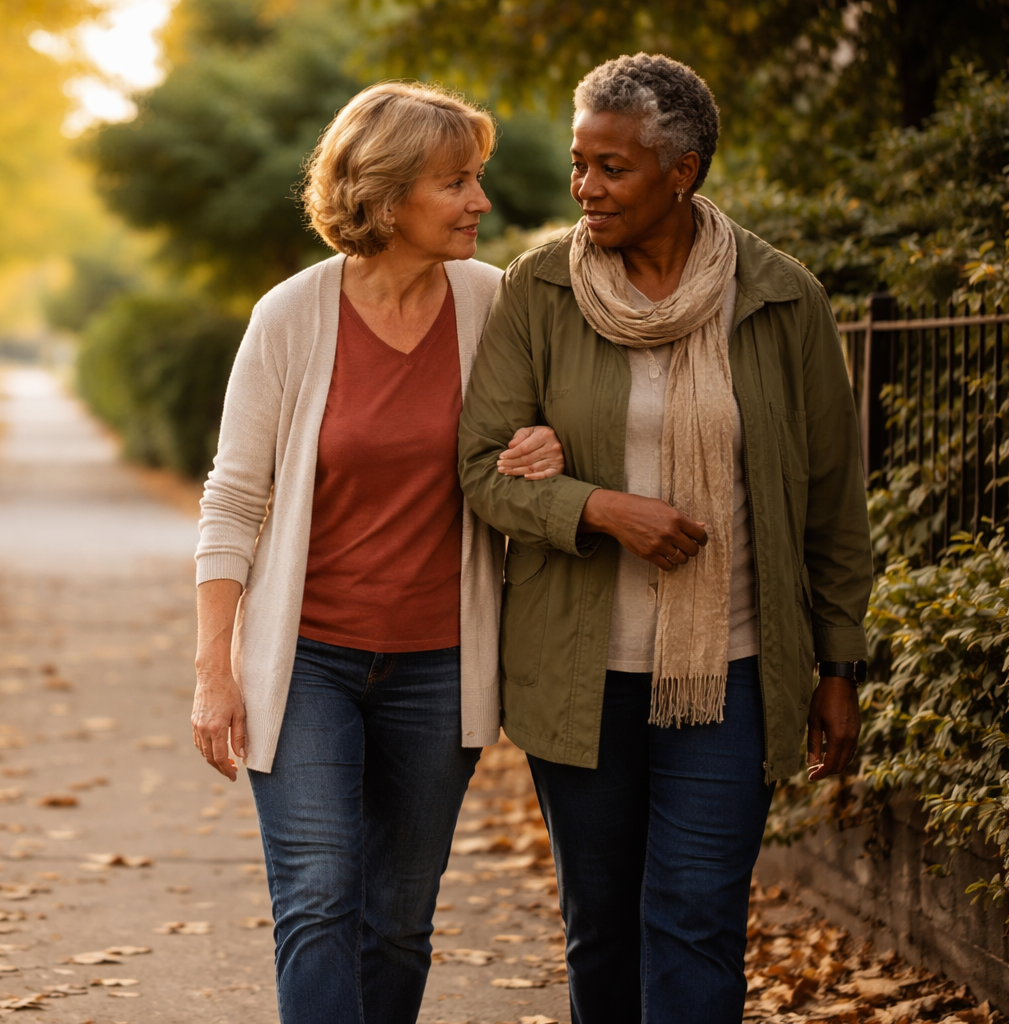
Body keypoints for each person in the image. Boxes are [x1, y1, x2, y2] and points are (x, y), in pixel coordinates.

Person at [457, 53, 873, 1022]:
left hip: (727, 669)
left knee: (696, 919)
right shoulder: (544, 289)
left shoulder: (779, 298)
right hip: (580, 667)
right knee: (600, 923)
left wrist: (840, 661)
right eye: (579, 162)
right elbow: (481, 469)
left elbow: (830, 500)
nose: (584, 188)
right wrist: (599, 508)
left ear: (681, 171)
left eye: (613, 167)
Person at [190, 81, 564, 1024]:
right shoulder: (291, 316)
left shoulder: (493, 304)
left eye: (477, 179)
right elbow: (236, 496)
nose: (482, 201)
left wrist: (544, 453)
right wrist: (213, 668)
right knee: (318, 898)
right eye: (458, 182)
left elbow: (522, 457)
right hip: (308, 659)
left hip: (440, 664)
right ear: (388, 194)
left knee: (398, 919)